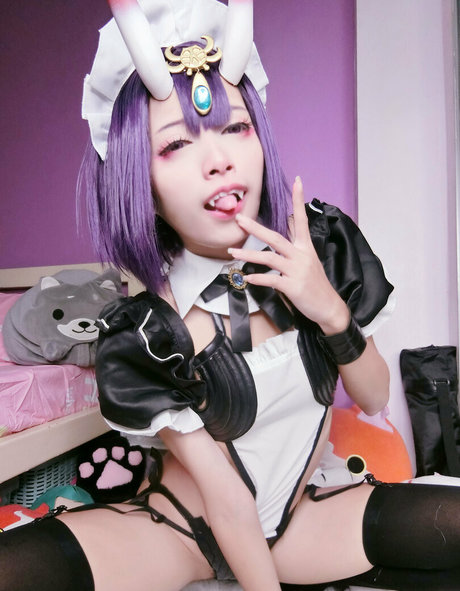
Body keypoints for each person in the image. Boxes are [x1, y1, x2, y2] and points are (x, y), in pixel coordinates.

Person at [3, 1, 460, 590]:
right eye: (175, 145)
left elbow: (372, 397)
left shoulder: (320, 246)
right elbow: (227, 503)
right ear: (141, 183)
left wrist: (327, 308)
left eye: (235, 128)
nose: (219, 161)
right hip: (178, 534)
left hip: (299, 526)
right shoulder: (147, 331)